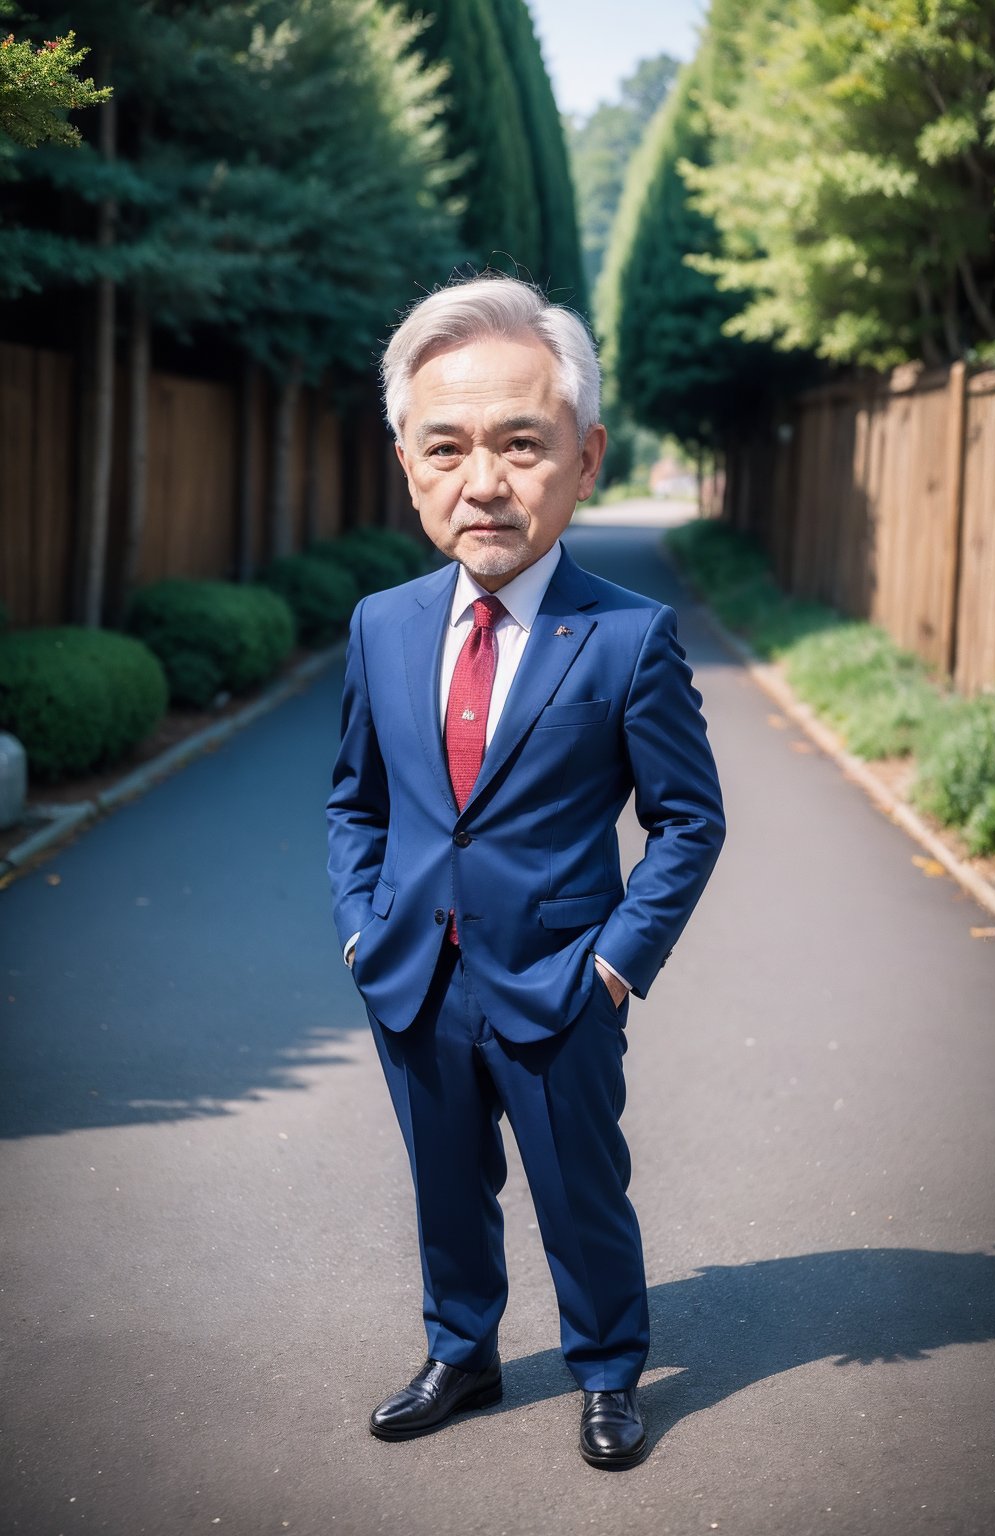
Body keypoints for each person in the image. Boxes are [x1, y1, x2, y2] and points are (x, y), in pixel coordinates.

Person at [326, 274, 725, 1469]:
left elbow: (690, 822)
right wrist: (360, 926)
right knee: (445, 1191)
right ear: (406, 462)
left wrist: (613, 964)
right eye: (443, 448)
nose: (481, 481)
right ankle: (464, 1349)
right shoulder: (381, 624)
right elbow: (357, 800)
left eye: (519, 444)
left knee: (579, 1193)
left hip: (560, 983)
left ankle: (609, 1368)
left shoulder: (627, 636)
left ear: (586, 456)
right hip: (412, 977)